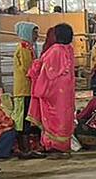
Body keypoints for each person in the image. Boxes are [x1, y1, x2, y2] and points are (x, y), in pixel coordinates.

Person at [27, 23, 75, 157]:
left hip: (52, 91)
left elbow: (46, 70)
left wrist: (34, 71)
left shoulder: (55, 50)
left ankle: (52, 145)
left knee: (53, 117)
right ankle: (64, 145)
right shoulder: (69, 49)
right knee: (65, 116)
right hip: (66, 91)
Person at [12, 21, 43, 159]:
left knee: (25, 118)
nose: (37, 35)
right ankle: (24, 149)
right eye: (34, 32)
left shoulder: (29, 47)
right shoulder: (24, 48)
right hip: (24, 89)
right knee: (23, 119)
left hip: (26, 88)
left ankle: (26, 148)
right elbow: (28, 69)